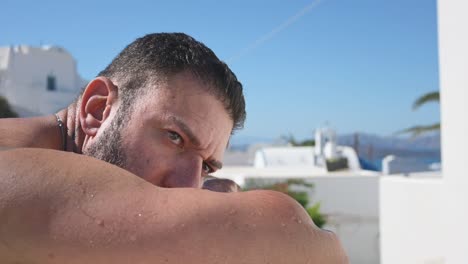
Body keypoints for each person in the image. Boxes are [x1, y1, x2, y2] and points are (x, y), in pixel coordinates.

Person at [0, 33, 348, 263]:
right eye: (175, 137)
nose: (188, 184)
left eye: (207, 167)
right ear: (96, 109)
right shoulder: (10, 167)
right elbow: (304, 241)